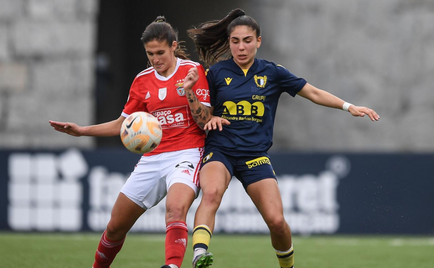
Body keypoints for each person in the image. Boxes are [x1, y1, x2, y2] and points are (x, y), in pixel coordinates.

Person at [187, 8, 380, 268]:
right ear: (229, 43)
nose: (241, 47)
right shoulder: (216, 74)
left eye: (247, 41)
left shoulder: (273, 72)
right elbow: (204, 114)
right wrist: (208, 117)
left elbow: (312, 92)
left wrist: (348, 106)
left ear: (258, 41)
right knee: (211, 193)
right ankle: (200, 253)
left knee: (277, 222)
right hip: (220, 150)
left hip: (255, 155)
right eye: (235, 41)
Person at [50, 16, 211, 268]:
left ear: (173, 46)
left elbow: (205, 121)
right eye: (150, 54)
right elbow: (120, 124)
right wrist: (81, 131)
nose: (156, 59)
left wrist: (189, 92)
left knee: (176, 209)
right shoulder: (142, 81)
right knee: (115, 226)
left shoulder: (193, 72)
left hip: (187, 153)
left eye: (160, 52)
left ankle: (171, 265)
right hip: (152, 157)